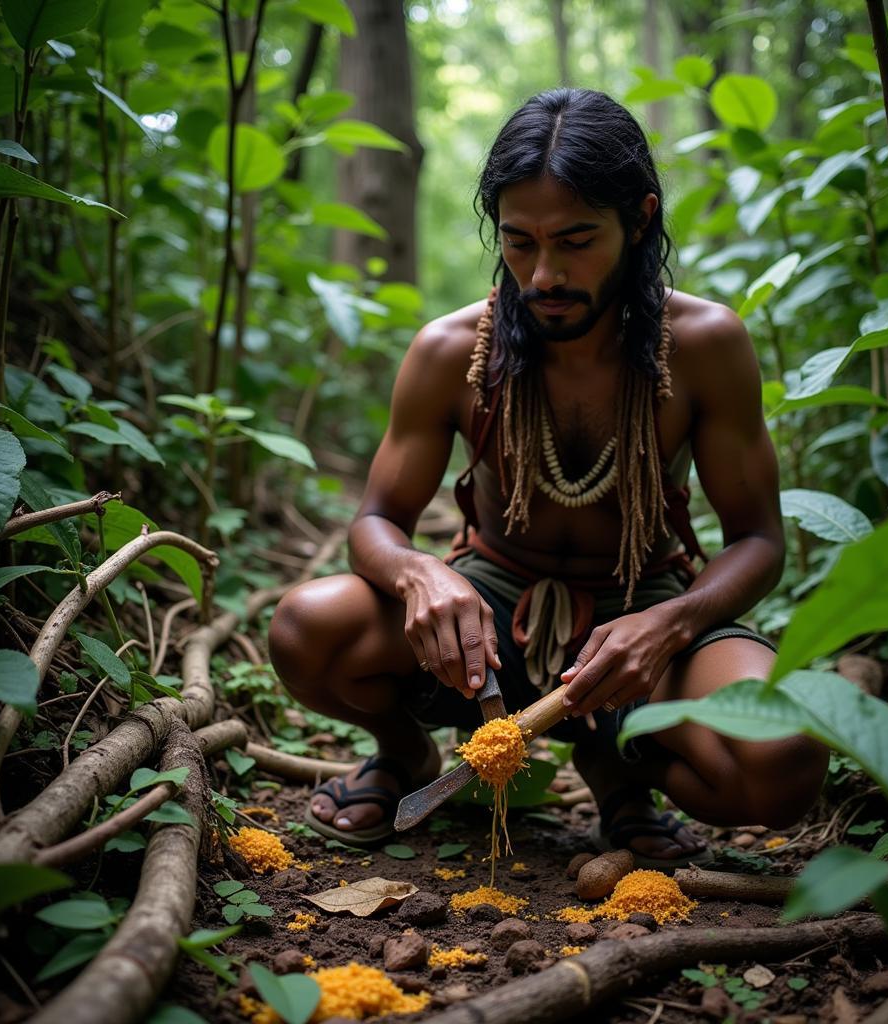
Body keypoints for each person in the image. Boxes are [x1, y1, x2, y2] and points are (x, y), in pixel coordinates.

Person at [268, 88, 828, 865]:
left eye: (575, 240)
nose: (543, 274)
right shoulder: (450, 350)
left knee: (783, 756)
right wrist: (421, 576)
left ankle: (618, 767)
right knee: (306, 628)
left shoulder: (703, 344)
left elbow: (760, 540)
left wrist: (670, 625)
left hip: (646, 609)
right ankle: (407, 755)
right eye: (520, 242)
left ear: (639, 219)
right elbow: (375, 521)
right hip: (484, 628)